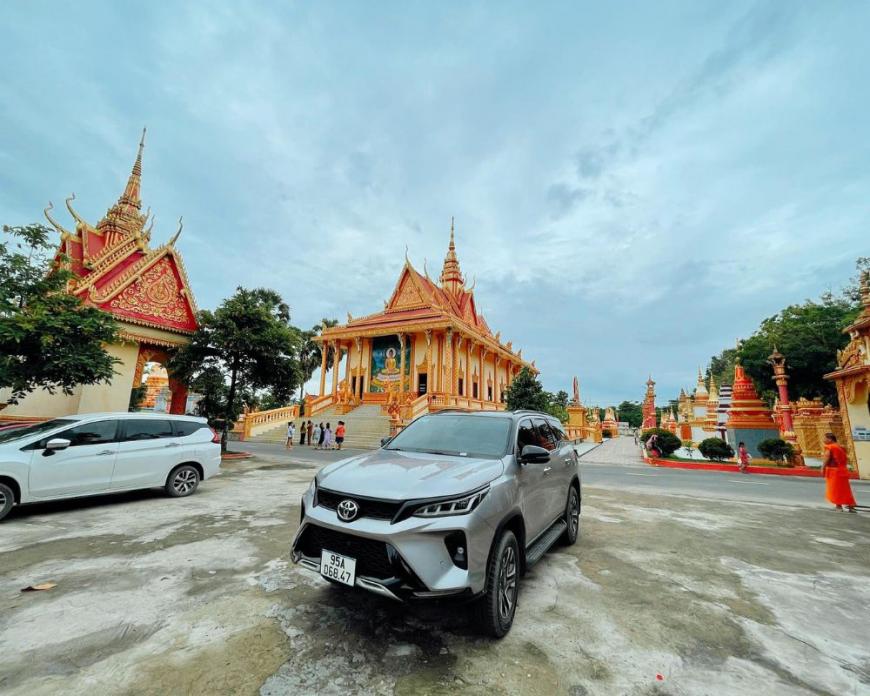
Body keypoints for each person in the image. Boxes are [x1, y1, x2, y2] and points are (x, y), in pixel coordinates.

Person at [822, 433, 857, 513]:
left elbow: (827, 457)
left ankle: (838, 506)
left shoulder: (830, 447)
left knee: (835, 489)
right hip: (842, 470)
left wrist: (822, 467)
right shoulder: (840, 447)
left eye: (824, 438)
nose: (823, 440)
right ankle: (851, 506)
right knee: (845, 489)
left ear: (830, 439)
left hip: (834, 471)